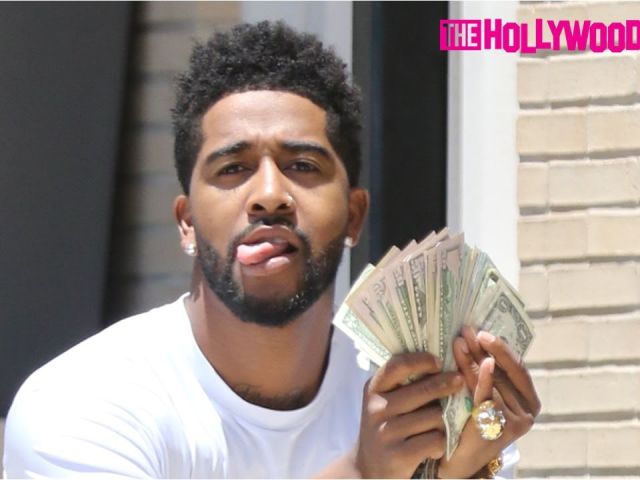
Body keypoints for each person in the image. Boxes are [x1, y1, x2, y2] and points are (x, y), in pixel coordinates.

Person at [3, 21, 540, 478]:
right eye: (232, 168)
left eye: (302, 166)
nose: (268, 195)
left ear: (353, 216)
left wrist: (461, 467)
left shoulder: (415, 397)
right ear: (186, 223)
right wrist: (360, 472)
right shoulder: (82, 401)